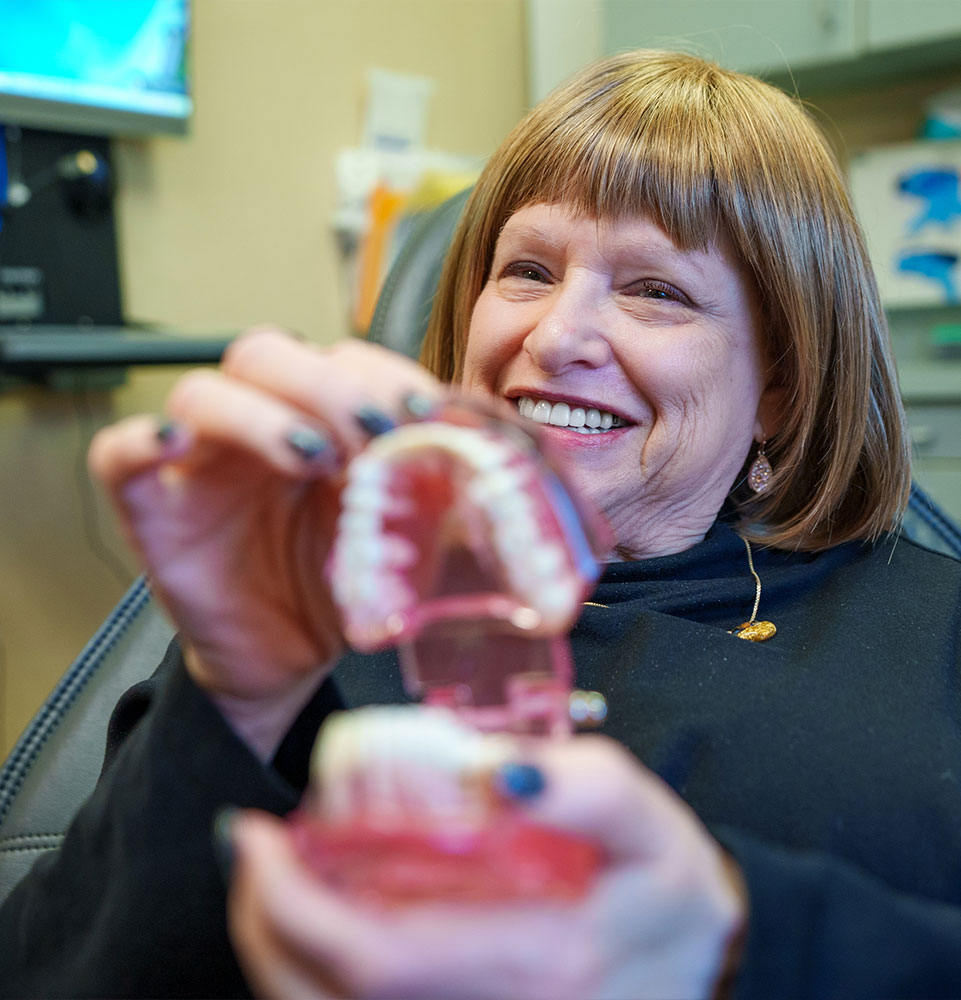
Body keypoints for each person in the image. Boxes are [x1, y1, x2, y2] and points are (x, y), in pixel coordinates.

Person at [3, 47, 961, 999]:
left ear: (781, 392)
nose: (553, 339)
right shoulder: (315, 615)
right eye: (528, 270)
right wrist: (231, 702)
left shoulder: (936, 638)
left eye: (654, 289)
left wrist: (739, 941)